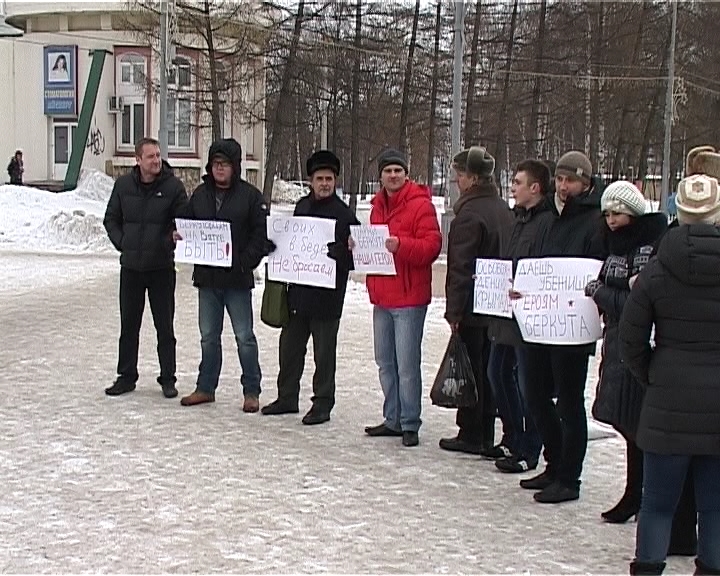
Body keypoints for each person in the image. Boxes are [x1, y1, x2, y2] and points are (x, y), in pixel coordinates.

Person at [620, 171, 720, 576]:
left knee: (657, 503)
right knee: (714, 504)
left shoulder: (658, 270)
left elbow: (630, 339)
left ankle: (648, 566)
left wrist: (654, 373)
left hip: (666, 401)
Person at [520, 150, 606, 503]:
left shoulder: (596, 221)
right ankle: (554, 463)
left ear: (585, 182)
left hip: (573, 326)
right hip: (543, 322)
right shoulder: (547, 218)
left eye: (570, 180)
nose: (563, 186)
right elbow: (538, 266)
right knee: (535, 393)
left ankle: (570, 477)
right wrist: (522, 290)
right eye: (559, 179)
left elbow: (594, 270)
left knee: (569, 402)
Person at [584, 181, 667, 523]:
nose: (611, 220)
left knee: (639, 424)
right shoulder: (610, 243)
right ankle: (635, 491)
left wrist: (602, 291)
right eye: (606, 214)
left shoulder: (653, 244)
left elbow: (638, 299)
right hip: (617, 341)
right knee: (625, 422)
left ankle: (642, 494)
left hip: (642, 342)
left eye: (617, 213)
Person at [261, 150, 359, 425]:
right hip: (299, 294)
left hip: (327, 298)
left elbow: (359, 252)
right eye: (320, 178)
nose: (325, 183)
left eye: (329, 178)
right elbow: (291, 243)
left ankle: (323, 403)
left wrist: (343, 253)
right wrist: (275, 247)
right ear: (310, 181)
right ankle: (287, 396)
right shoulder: (301, 207)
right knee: (290, 348)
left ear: (335, 181)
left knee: (324, 354)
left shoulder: (344, 214)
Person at [179, 138, 268, 413]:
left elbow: (260, 236)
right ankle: (206, 387)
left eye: (225, 164)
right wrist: (179, 236)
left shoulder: (250, 196)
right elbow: (188, 226)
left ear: (235, 167)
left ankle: (251, 390)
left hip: (237, 280)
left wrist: (244, 262)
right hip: (207, 280)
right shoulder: (200, 195)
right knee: (208, 336)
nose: (220, 169)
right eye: (216, 164)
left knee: (244, 337)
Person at [362, 148, 442, 447]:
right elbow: (373, 248)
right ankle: (392, 418)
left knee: (407, 365)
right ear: (380, 176)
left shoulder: (421, 206)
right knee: (385, 362)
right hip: (382, 296)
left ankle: (410, 422)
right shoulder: (376, 207)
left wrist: (401, 246)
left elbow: (432, 246)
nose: (393, 176)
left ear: (406, 174)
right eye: (387, 171)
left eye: (398, 170)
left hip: (409, 298)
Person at [438, 146, 513, 456]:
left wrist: (454, 311)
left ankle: (471, 432)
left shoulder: (469, 214)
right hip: (495, 304)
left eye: (460, 175)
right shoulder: (501, 208)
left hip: (472, 304)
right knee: (488, 370)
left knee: (471, 368)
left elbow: (461, 266)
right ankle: (485, 431)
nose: (457, 181)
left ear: (471, 178)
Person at [103, 137, 188, 398]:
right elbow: (111, 219)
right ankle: (126, 376)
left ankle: (168, 378)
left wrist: (167, 241)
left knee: (165, 326)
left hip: (161, 267)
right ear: (138, 160)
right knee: (129, 325)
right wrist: (124, 244)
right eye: (150, 156)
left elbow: (183, 222)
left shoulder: (173, 187)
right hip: (131, 268)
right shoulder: (123, 186)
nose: (156, 160)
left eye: (158, 155)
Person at [485, 159, 555, 473]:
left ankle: (530, 448)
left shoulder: (547, 223)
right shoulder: (516, 219)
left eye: (517, 182)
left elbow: (544, 270)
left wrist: (525, 288)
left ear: (535, 188)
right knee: (496, 372)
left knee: (529, 384)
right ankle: (512, 436)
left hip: (529, 315)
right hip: (505, 310)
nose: (512, 187)